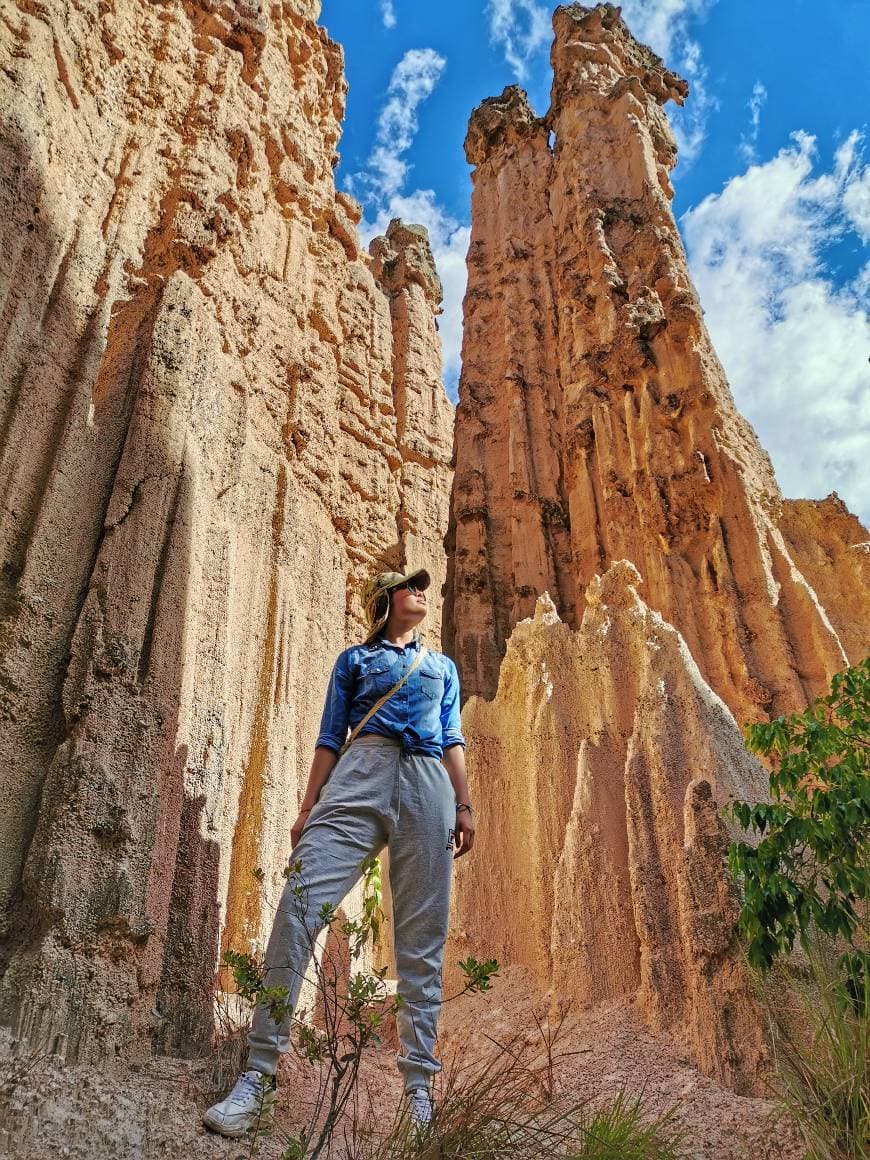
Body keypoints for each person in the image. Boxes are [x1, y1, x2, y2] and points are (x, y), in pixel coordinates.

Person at [204, 567, 475, 1139]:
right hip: (361, 771)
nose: (420, 591)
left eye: (421, 585)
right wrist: (307, 808)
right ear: (385, 600)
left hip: (429, 782)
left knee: (423, 940)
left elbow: (452, 736)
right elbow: (331, 735)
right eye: (409, 585)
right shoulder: (354, 661)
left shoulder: (442, 667)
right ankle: (259, 1073)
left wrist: (466, 805)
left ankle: (419, 1095)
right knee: (299, 906)